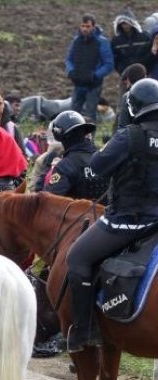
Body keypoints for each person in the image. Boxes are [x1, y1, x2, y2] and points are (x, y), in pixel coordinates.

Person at [66, 78, 158, 352]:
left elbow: (97, 166)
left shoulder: (129, 136)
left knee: (77, 258)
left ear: (133, 107)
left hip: (128, 221)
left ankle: (84, 330)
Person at [43, 111, 108, 200]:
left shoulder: (65, 166)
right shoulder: (104, 157)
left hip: (77, 214)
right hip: (107, 213)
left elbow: (48, 199)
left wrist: (47, 168)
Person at [65, 14, 114, 121]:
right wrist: (71, 71)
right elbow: (69, 59)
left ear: (93, 26)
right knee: (73, 114)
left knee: (90, 115)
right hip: (78, 84)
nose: (85, 29)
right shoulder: (76, 41)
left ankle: (89, 137)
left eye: (87, 26)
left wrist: (95, 76)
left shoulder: (101, 42)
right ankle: (73, 136)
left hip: (93, 85)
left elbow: (109, 64)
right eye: (83, 26)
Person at [111, 9, 151, 76]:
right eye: (123, 24)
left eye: (127, 23)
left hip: (143, 72)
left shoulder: (144, 37)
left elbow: (150, 53)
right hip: (125, 73)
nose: (125, 26)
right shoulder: (116, 40)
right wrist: (120, 69)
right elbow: (115, 57)